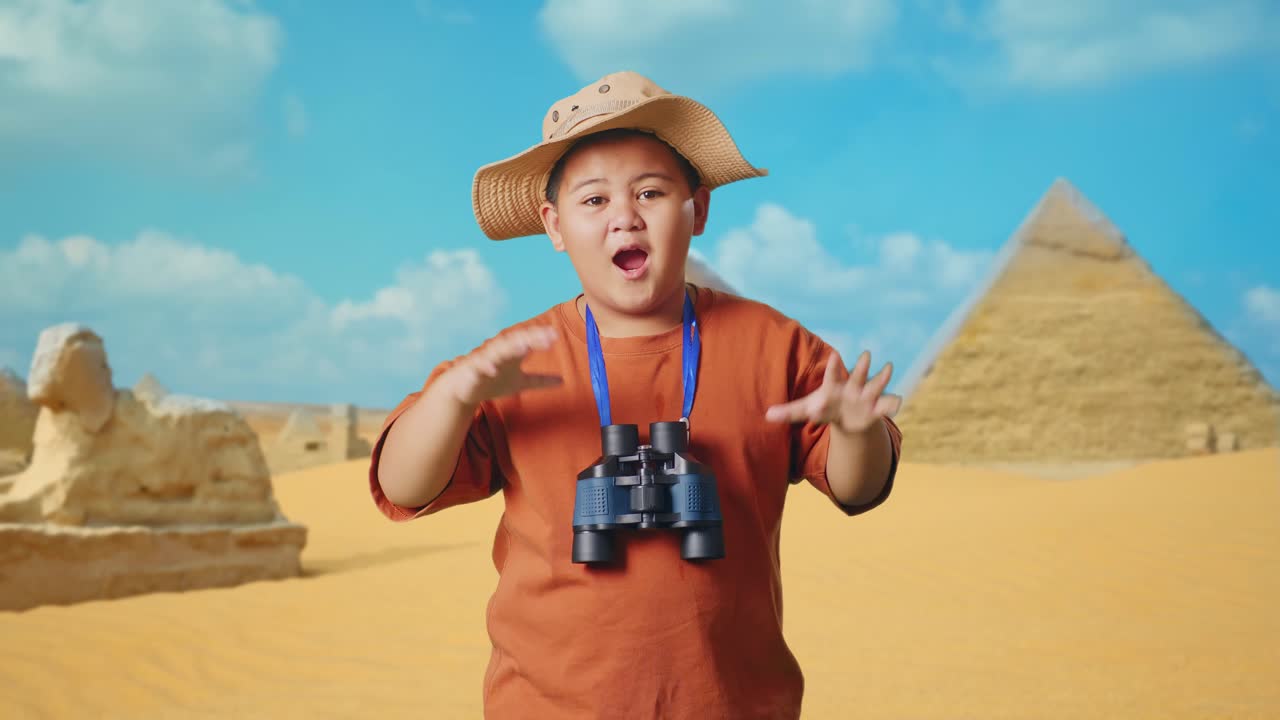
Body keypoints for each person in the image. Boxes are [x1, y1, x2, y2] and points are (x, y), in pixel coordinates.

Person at [370, 70, 904, 719]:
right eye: (594, 200)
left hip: (731, 703)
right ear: (554, 226)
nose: (625, 216)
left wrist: (855, 431)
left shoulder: (775, 344)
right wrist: (451, 400)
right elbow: (403, 486)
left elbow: (858, 489)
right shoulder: (508, 363)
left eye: (650, 192)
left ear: (697, 209)